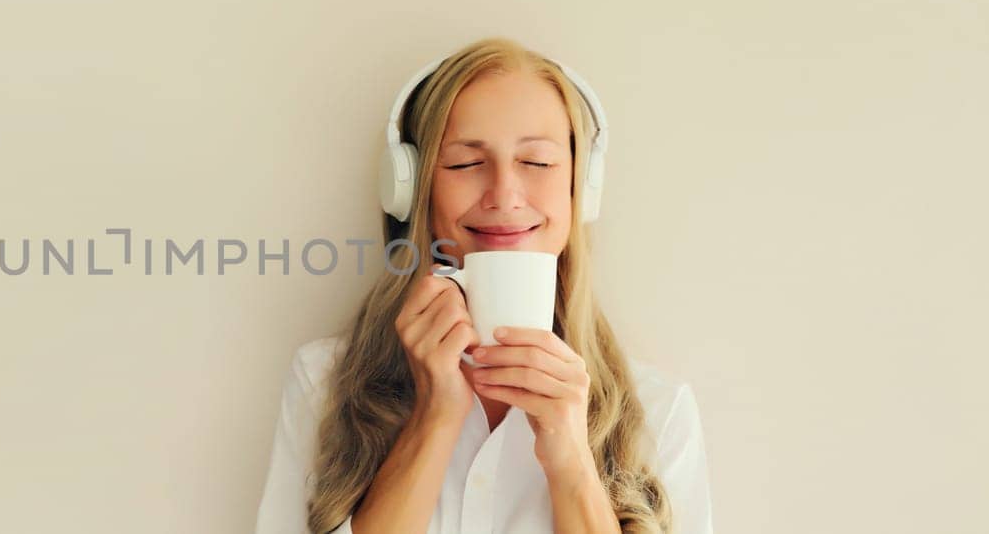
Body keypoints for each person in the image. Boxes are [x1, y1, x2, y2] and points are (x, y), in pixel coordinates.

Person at [254, 37, 713, 534]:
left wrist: (572, 462)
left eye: (537, 163)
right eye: (465, 164)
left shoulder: (659, 411)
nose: (505, 195)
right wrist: (436, 414)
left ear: (582, 188)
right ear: (413, 191)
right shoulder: (323, 382)